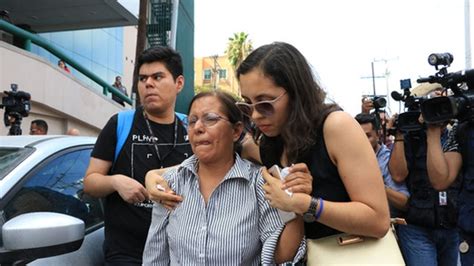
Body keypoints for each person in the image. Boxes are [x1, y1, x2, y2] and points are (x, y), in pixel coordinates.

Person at [146, 42, 389, 244]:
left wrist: (306, 204)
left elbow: (378, 220)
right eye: (247, 105)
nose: (255, 115)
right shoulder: (271, 142)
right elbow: (213, 160)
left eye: (265, 103)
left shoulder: (336, 126)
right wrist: (154, 176)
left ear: (295, 92)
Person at [142, 91, 305, 265]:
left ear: (236, 131)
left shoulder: (258, 183)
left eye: (210, 119)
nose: (198, 128)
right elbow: (155, 258)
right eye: (191, 121)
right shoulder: (171, 183)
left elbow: (279, 256)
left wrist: (296, 204)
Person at [83, 46, 193, 265]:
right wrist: (115, 181)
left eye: (157, 77)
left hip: (183, 250)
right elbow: (90, 182)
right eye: (143, 78)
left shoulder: (191, 127)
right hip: (128, 253)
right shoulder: (120, 124)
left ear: (179, 83)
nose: (148, 83)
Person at [389, 84, 461, 266]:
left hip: (453, 225)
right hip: (417, 227)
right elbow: (397, 175)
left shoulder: (459, 134)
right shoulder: (412, 135)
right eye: (432, 106)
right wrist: (398, 134)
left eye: (442, 105)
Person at [355, 113, 409, 218]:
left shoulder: (387, 160)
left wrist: (377, 185)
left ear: (378, 134)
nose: (362, 140)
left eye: (368, 136)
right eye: (358, 135)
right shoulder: (350, 156)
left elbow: (404, 202)